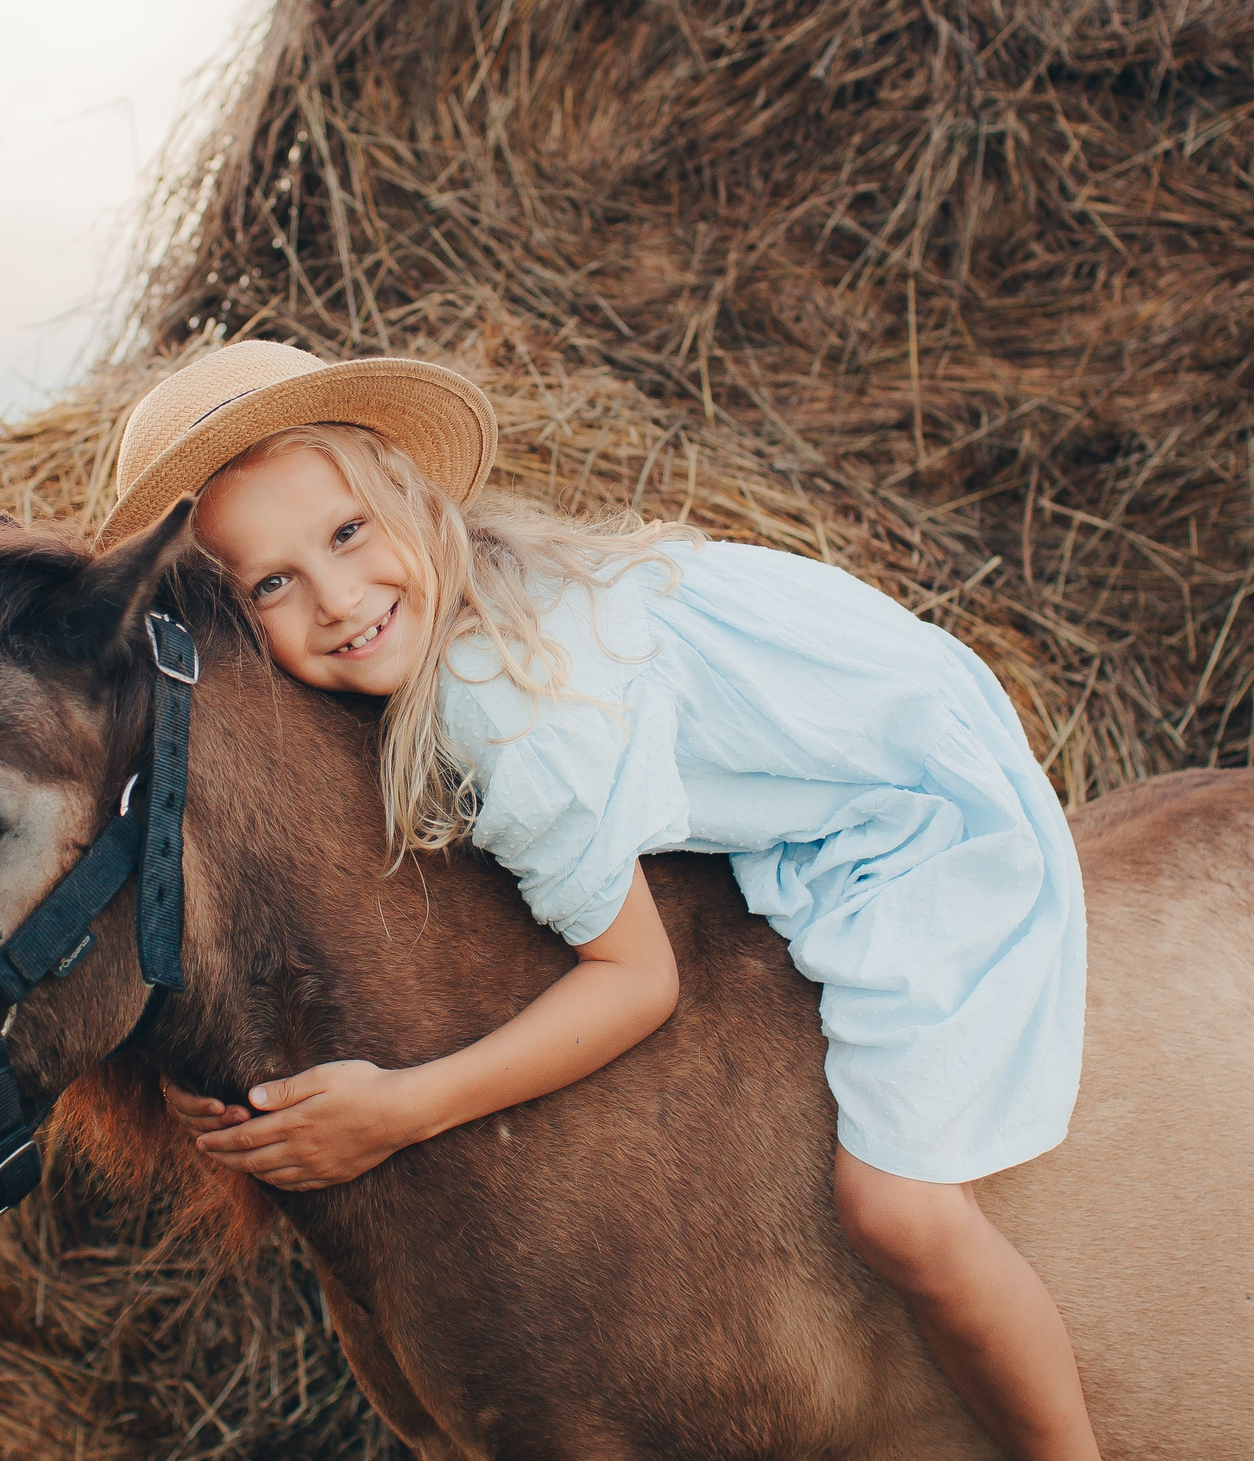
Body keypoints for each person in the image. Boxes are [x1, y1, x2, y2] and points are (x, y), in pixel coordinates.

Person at [105, 340, 1098, 1460]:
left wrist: (404, 1106)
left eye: (345, 535)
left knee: (902, 1214)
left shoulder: (501, 709)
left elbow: (639, 985)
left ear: (407, 498)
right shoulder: (464, 603)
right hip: (863, 732)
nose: (337, 602)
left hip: (917, 807)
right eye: (271, 585)